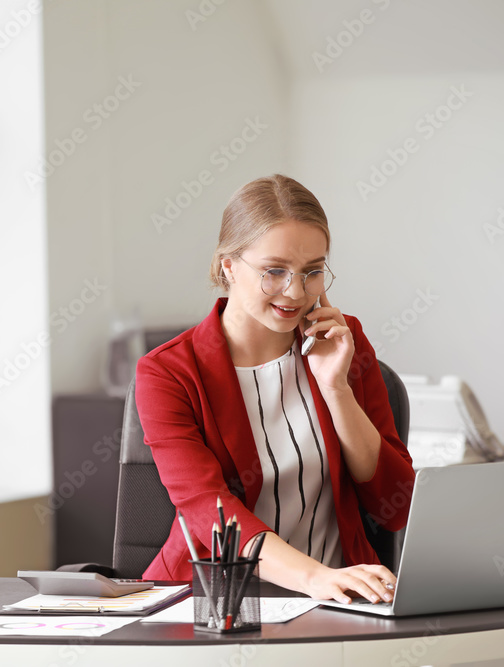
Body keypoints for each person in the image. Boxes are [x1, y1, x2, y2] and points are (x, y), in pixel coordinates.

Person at [135, 174, 415, 604]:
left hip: (336, 603)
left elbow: (394, 507)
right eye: (275, 271)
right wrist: (314, 578)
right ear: (228, 265)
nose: (296, 292)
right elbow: (213, 511)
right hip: (213, 607)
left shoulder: (342, 341)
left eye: (313, 272)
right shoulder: (169, 372)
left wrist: (336, 388)